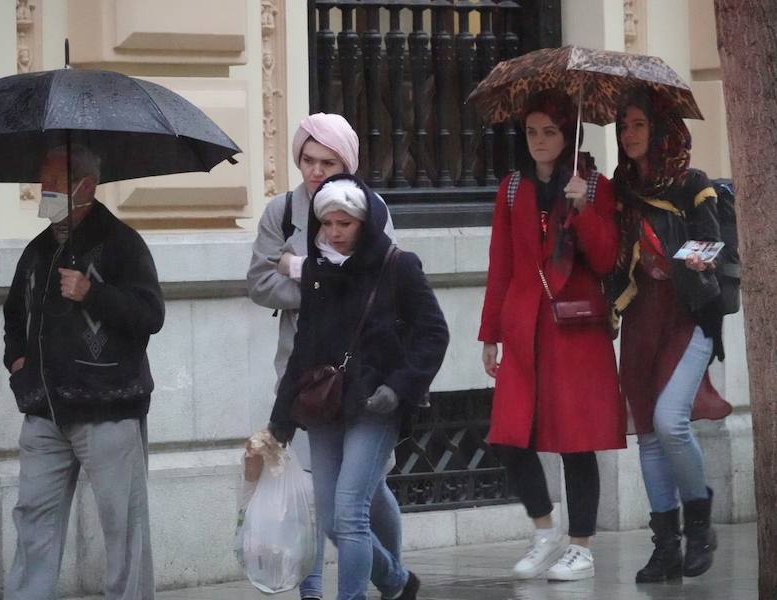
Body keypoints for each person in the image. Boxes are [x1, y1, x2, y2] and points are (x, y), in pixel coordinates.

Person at [269, 174, 449, 600]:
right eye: (327, 223)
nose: (334, 232)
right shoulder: (316, 270)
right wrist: (281, 418)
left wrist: (400, 387)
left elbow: (434, 333)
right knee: (330, 519)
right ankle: (397, 581)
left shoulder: (398, 264)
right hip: (326, 404)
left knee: (350, 515)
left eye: (344, 224)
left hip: (377, 403)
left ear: (364, 222)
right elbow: (304, 345)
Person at [247, 113, 401, 600]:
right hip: (304, 373)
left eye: (327, 161)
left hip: (363, 376)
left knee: (367, 493)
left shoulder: (370, 208)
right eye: (308, 160)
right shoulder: (282, 213)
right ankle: (311, 592)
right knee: (316, 493)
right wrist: (318, 288)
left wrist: (306, 274)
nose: (315, 170)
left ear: (347, 163)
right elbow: (259, 281)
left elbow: (380, 284)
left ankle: (393, 577)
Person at [2, 144, 164, 600]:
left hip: (108, 408)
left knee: (123, 529)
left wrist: (93, 292)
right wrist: (18, 364)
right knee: (33, 521)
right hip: (44, 411)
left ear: (85, 187)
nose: (43, 190)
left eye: (53, 182)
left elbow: (151, 314)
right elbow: (13, 314)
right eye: (44, 181)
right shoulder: (37, 251)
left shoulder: (123, 244)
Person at [477, 89, 625, 582]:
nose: (540, 141)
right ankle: (544, 531)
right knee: (509, 435)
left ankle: (580, 545)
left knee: (575, 440)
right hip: (523, 327)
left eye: (551, 131)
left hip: (576, 331)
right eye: (532, 132)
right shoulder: (512, 188)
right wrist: (489, 333)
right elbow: (500, 264)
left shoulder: (596, 185)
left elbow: (606, 259)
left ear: (569, 134)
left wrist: (583, 209)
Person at [609, 89, 725, 583]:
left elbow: (715, 240)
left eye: (638, 125)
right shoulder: (618, 188)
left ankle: (700, 525)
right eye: (623, 127)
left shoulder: (691, 182)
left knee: (670, 420)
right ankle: (666, 548)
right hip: (640, 318)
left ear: (658, 130)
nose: (629, 135)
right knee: (650, 436)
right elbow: (605, 249)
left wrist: (696, 258)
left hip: (689, 314)